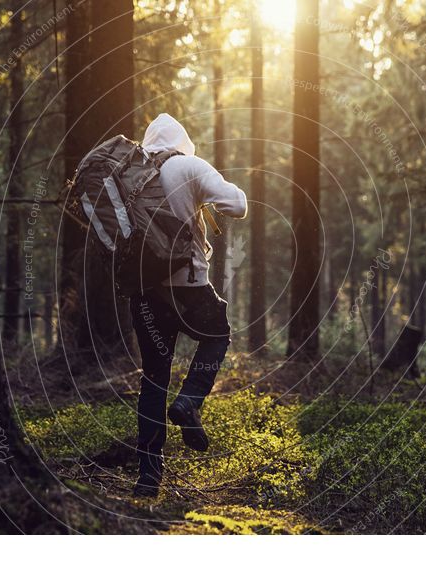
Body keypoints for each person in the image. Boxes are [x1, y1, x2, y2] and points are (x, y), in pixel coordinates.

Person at [130, 113, 247, 498]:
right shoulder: (188, 165)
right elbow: (237, 204)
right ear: (182, 141)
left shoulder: (131, 175)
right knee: (218, 335)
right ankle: (190, 401)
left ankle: (148, 478)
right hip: (189, 287)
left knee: (153, 376)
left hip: (145, 293)